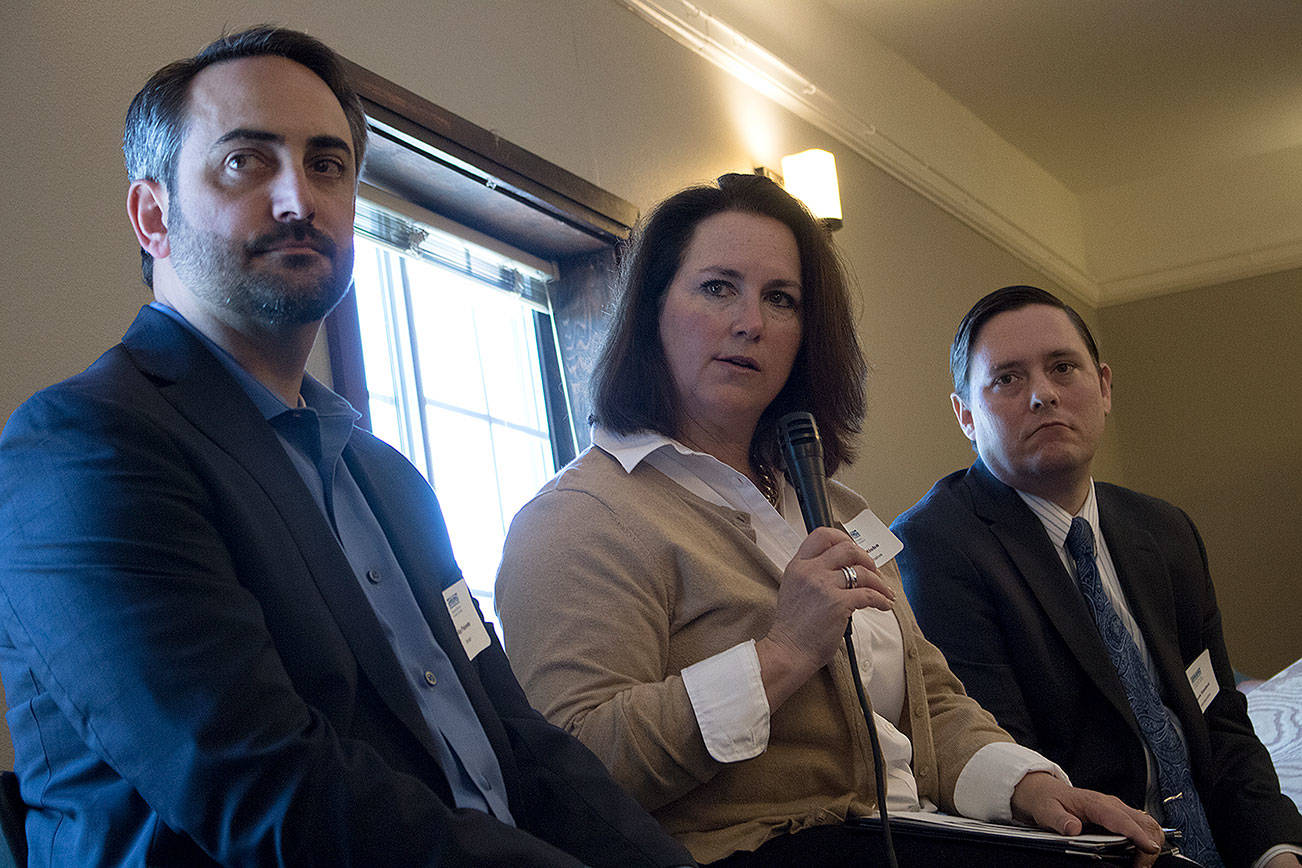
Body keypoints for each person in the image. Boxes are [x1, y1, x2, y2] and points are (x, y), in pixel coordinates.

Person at [0, 27, 695, 867]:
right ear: (153, 216)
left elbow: (523, 742)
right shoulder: (86, 444)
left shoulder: (389, 479)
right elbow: (265, 788)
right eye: (245, 163)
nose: (300, 199)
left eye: (328, 165)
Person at [494, 176, 1167, 867]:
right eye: (718, 287)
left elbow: (929, 703)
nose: (750, 322)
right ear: (651, 310)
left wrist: (1030, 783)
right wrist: (780, 654)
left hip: (916, 831)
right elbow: (571, 769)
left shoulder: (831, 505)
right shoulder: (581, 516)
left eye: (780, 299)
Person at [892, 285, 1302, 868]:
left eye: (1063, 368)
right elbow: (1008, 765)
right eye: (1007, 379)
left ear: (1104, 388)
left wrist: (1275, 851)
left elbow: (1219, 721)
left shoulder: (1164, 529)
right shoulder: (936, 549)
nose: (1042, 394)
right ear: (965, 415)